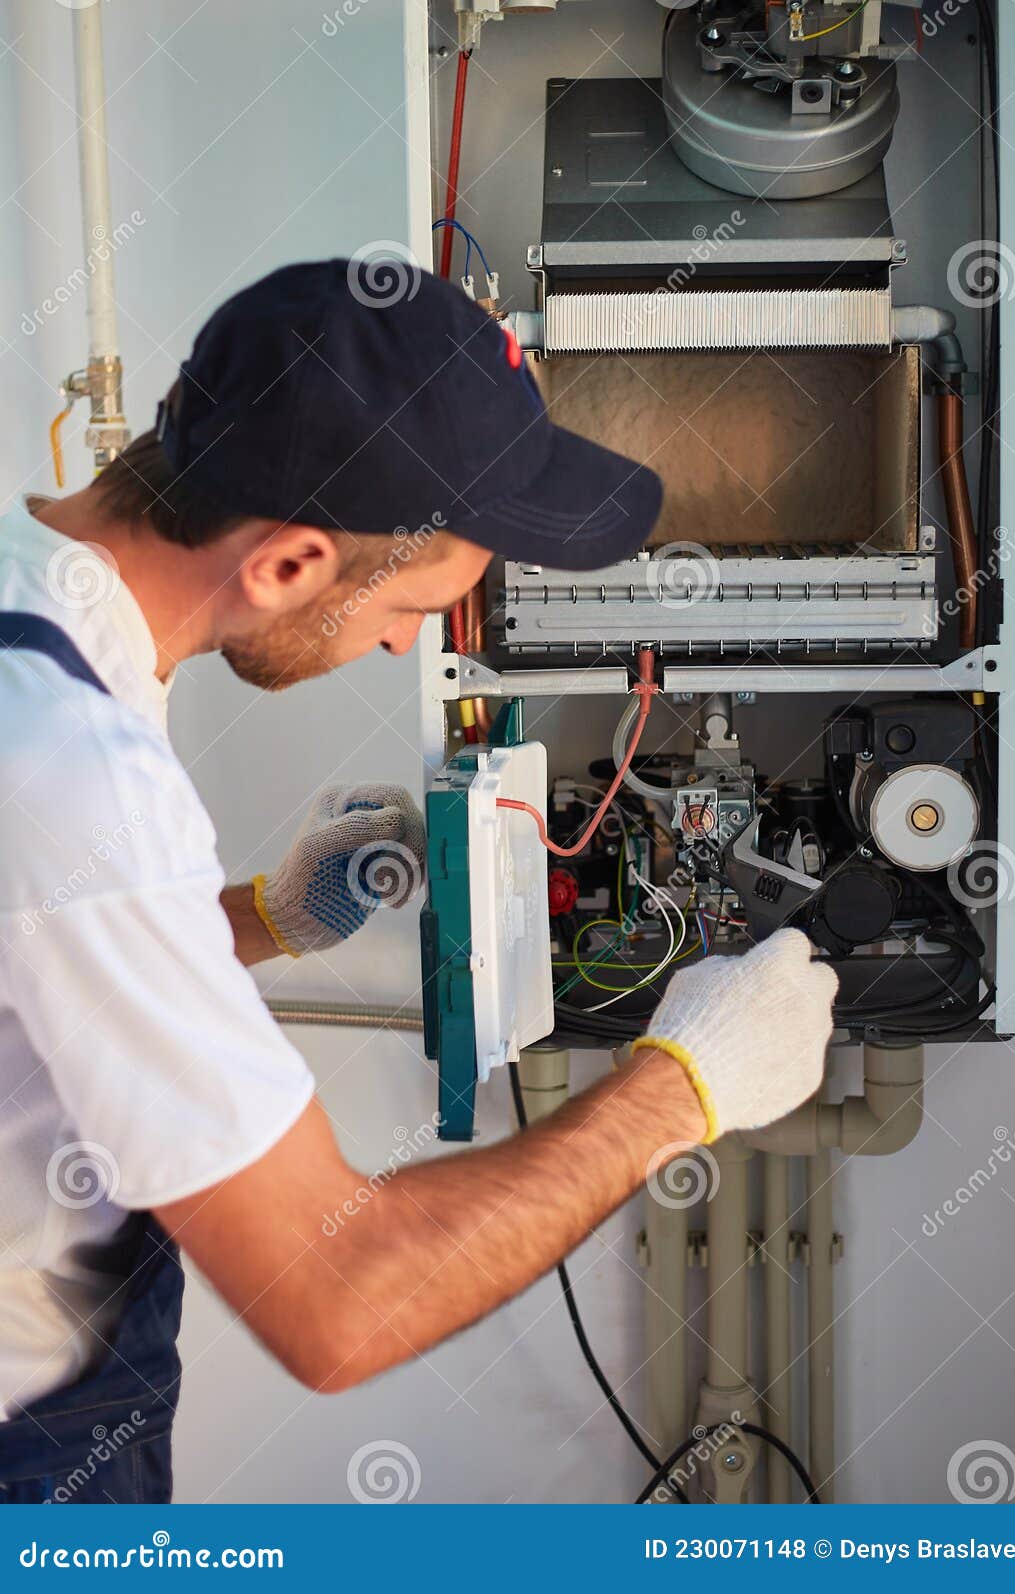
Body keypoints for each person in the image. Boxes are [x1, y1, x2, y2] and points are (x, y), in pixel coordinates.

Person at [0, 260, 836, 1503]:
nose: (404, 644)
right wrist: (682, 1087)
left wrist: (261, 923)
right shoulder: (72, 765)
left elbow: (41, 964)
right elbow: (338, 1300)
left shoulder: (47, 631)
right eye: (410, 605)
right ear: (289, 563)